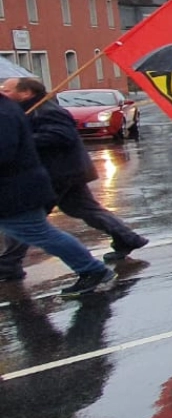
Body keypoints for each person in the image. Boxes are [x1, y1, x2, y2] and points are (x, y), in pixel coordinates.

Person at [0, 78, 148, 274]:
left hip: (59, 172)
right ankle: (127, 238)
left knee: (27, 221)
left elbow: (63, 136)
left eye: (7, 90)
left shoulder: (47, 110)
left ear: (26, 92)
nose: (3, 92)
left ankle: (9, 263)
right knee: (85, 210)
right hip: (63, 171)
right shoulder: (25, 110)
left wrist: (24, 140)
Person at [0, 86, 117, 296]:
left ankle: (93, 270)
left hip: (16, 189)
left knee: (39, 232)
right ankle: (10, 266)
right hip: (17, 187)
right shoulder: (9, 108)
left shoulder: (5, 112)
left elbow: (5, 152)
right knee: (31, 231)